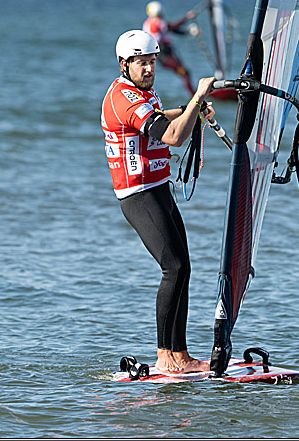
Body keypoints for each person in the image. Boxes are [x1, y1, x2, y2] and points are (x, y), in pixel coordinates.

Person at [101, 29, 217, 374]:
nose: (149, 69)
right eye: (141, 63)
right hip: (138, 195)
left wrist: (188, 108)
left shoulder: (141, 92)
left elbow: (160, 116)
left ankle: (181, 355)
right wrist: (196, 99)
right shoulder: (125, 97)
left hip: (158, 188)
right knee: (174, 268)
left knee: (185, 267)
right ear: (125, 64)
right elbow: (173, 137)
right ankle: (164, 355)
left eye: (152, 62)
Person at [142, 1, 198, 96]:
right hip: (163, 54)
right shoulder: (157, 22)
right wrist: (187, 17)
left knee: (184, 72)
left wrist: (188, 32)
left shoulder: (148, 23)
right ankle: (195, 96)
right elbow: (172, 27)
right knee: (184, 72)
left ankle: (195, 94)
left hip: (163, 53)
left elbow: (171, 29)